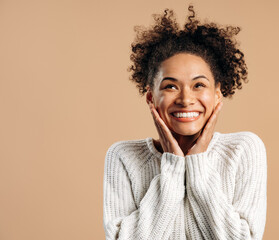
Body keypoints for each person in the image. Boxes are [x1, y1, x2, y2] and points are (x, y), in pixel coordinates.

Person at [103, 5, 267, 240]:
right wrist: (173, 165)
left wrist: (197, 162)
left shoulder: (243, 149)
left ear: (218, 94)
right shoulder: (123, 156)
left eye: (199, 85)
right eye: (170, 86)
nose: (186, 99)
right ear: (151, 97)